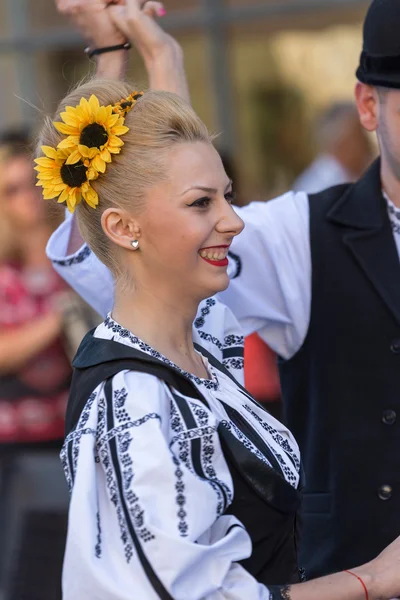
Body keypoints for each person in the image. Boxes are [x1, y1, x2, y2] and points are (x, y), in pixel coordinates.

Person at [36, 9, 400, 599]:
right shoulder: (133, 399)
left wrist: (162, 65)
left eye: (225, 196)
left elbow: (157, 197)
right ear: (121, 226)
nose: (233, 220)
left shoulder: (197, 348)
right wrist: (372, 580)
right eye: (204, 203)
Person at [293, 102, 373, 193]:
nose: (367, 144)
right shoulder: (321, 185)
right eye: (360, 135)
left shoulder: (348, 178)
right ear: (342, 143)